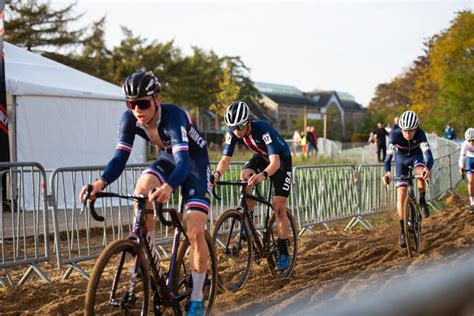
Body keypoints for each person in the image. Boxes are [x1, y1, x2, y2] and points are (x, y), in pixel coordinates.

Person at [79, 71, 211, 315]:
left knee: (194, 229)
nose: (136, 109)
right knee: (141, 189)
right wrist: (100, 183)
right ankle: (147, 258)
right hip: (169, 158)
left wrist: (168, 187)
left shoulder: (174, 117)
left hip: (193, 164)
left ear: (157, 99)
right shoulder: (129, 120)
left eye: (142, 103)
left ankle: (197, 296)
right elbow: (120, 157)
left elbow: (183, 164)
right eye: (131, 103)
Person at [212, 101, 293, 270]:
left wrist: (262, 175)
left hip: (280, 161)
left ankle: (284, 250)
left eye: (240, 126)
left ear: (248, 121)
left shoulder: (263, 130)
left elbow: (275, 162)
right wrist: (217, 174)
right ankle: (247, 223)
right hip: (261, 157)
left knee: (278, 208)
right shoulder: (233, 131)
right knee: (245, 176)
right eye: (232, 127)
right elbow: (225, 160)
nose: (237, 131)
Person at [383, 110, 434, 248]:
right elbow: (388, 158)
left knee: (420, 173)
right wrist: (387, 173)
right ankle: (402, 230)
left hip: (416, 158)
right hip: (401, 161)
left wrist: (427, 169)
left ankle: (422, 200)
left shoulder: (421, 134)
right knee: (401, 194)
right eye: (405, 131)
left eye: (411, 131)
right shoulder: (394, 136)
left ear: (416, 128)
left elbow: (429, 156)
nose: (407, 134)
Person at [459, 128, 474, 214]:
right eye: (470, 141)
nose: (472, 143)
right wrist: (461, 167)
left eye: (473, 140)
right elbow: (462, 156)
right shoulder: (465, 144)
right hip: (469, 160)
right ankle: (472, 202)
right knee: (471, 181)